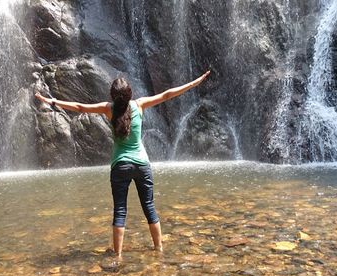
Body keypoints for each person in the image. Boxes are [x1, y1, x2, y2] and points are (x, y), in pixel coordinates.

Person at [35, 70, 211, 260]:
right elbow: (167, 94)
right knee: (149, 207)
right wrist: (194, 83)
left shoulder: (107, 108)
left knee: (120, 210)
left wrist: (51, 101)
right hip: (142, 165)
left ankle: (118, 254)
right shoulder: (140, 104)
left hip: (120, 166)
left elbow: (79, 107)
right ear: (130, 95)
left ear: (112, 96)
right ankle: (158, 248)